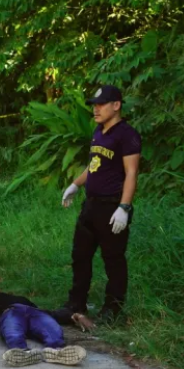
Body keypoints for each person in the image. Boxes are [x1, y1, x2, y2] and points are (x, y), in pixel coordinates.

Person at [61, 85, 141, 324]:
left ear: (116, 105)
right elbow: (94, 165)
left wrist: (124, 207)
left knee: (113, 259)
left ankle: (112, 309)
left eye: (101, 104)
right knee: (80, 255)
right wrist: (75, 185)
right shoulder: (99, 132)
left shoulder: (126, 135)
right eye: (94, 104)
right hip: (91, 206)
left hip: (112, 207)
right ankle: (76, 303)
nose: (95, 109)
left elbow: (131, 172)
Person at [0, 292, 91, 367]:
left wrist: (75, 315)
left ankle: (55, 351)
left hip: (34, 312)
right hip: (10, 313)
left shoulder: (21, 302)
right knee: (13, 333)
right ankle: (24, 353)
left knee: (52, 330)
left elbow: (54, 313)